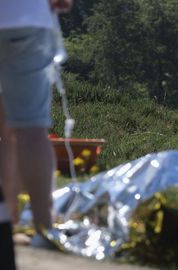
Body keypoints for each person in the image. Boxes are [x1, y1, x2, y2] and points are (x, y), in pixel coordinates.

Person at [0, 1, 73, 269]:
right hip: (24, 17)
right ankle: (43, 226)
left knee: (4, 132)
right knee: (30, 128)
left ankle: (7, 222)